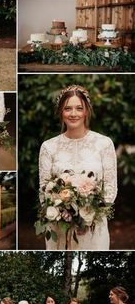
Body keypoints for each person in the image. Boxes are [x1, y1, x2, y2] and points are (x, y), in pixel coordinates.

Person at [39, 84, 117, 250]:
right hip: (59, 226)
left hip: (93, 226)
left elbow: (110, 189)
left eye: (79, 108)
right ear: (61, 111)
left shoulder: (104, 144)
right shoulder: (48, 147)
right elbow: (44, 191)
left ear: (86, 111)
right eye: (67, 108)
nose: (73, 114)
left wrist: (87, 216)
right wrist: (63, 213)